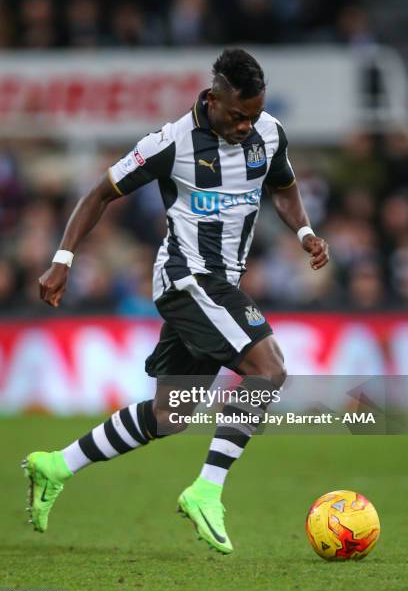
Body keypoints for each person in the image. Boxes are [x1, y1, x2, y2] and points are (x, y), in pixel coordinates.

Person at [22, 48, 329, 554]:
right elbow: (99, 193)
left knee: (172, 414)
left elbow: (285, 186)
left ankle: (56, 465)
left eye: (253, 115)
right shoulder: (170, 143)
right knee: (269, 369)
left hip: (221, 281)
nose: (246, 126)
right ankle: (206, 489)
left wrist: (304, 231)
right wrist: (63, 259)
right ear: (213, 99)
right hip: (188, 278)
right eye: (237, 116)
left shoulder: (269, 133)